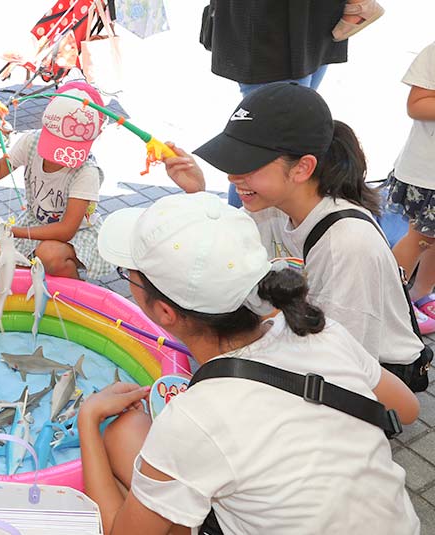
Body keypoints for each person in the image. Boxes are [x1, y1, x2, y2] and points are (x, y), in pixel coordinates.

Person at [82, 192, 420, 534]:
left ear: (165, 312)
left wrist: (88, 419)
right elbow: (406, 410)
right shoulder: (320, 330)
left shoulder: (193, 418)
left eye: (130, 275)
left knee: (123, 438)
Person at [163, 82, 431, 378]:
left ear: (302, 168)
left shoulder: (348, 245)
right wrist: (197, 194)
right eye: (231, 160)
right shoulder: (275, 205)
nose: (231, 175)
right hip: (314, 341)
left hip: (368, 374)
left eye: (247, 164)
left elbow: (345, 365)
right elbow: (227, 246)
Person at [201, 0, 348, 207]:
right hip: (269, 17)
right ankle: (239, 228)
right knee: (260, 146)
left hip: (314, 15)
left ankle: (248, 226)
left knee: (291, 137)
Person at [0, 81, 114, 280]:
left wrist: (12, 231)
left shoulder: (86, 171)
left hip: (78, 234)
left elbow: (66, 230)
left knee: (49, 255)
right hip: (37, 222)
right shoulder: (31, 142)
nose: (61, 155)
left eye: (70, 147)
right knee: (11, 266)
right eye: (56, 145)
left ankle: (75, 301)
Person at [384, 41, 435, 319]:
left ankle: (421, 294)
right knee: (420, 237)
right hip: (428, 174)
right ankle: (389, 301)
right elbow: (416, 105)